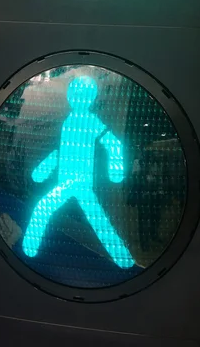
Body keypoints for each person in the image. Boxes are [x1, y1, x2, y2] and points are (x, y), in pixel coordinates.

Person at [22, 75, 134, 269]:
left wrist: (115, 168)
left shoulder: (91, 120)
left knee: (45, 208)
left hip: (77, 181)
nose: (76, 96)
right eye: (74, 92)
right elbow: (63, 150)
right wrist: (45, 168)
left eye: (81, 93)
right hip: (67, 180)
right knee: (95, 219)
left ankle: (123, 259)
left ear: (90, 97)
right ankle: (123, 258)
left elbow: (112, 142)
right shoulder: (68, 120)